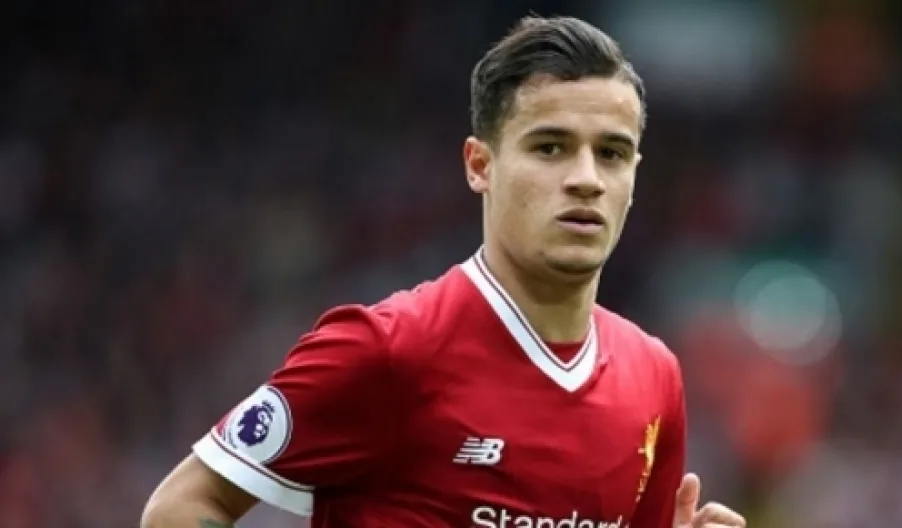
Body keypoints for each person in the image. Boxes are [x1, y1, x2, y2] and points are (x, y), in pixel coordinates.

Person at [141, 15, 746, 528]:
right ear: (480, 165)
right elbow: (182, 505)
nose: (586, 178)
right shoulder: (387, 350)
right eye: (550, 147)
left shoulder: (654, 375)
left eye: (611, 153)